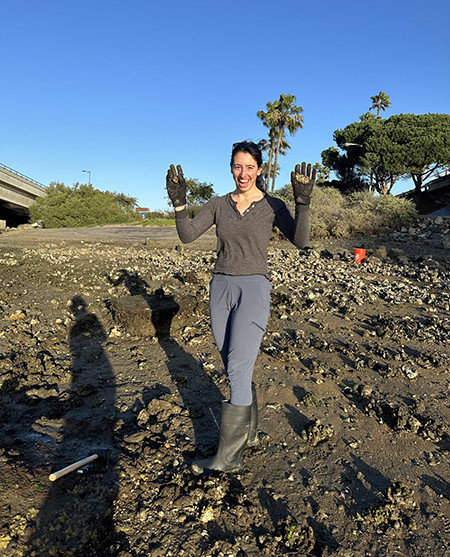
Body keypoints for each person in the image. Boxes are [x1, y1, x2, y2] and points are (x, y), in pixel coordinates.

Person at [166, 141, 316, 474]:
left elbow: (301, 241)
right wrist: (179, 204)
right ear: (231, 169)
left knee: (236, 367)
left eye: (250, 167)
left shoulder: (272, 206)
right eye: (237, 166)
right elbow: (188, 235)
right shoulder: (219, 204)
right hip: (220, 287)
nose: (243, 173)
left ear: (260, 170)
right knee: (232, 363)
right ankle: (249, 435)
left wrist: (302, 204)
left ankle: (228, 458)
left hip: (254, 289)